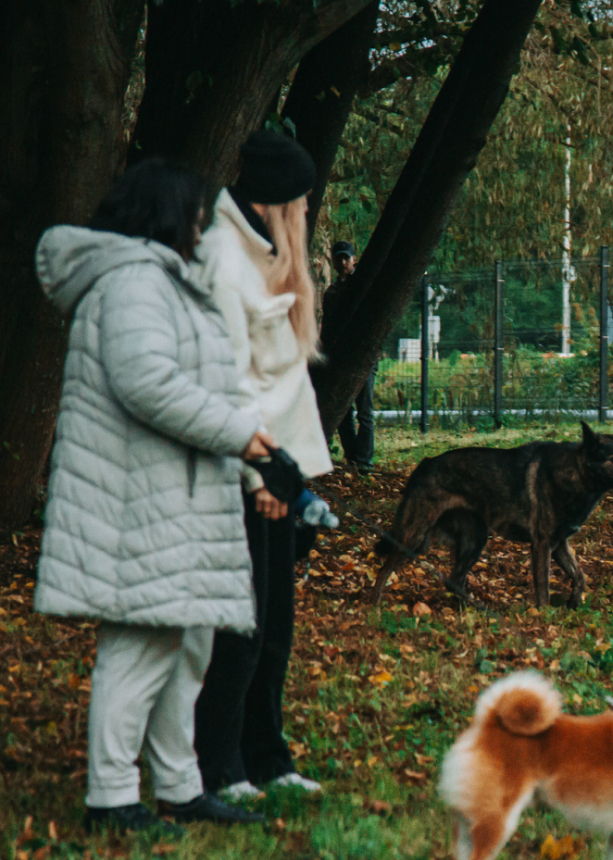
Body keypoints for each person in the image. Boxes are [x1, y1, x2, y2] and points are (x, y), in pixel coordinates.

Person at [33, 158, 272, 832]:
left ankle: (179, 784)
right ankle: (109, 798)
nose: (202, 225)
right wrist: (244, 436)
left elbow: (200, 387)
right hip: (137, 501)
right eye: (196, 212)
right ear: (168, 213)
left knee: (186, 645)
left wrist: (253, 463)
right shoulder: (135, 282)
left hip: (175, 497)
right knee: (140, 650)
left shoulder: (162, 282)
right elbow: (148, 383)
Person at [194, 130, 335, 800]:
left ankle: (267, 756)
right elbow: (229, 380)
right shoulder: (224, 258)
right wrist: (260, 477)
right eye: (302, 199)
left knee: (275, 623)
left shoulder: (264, 254)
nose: (306, 210)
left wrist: (293, 476)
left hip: (281, 470)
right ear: (282, 200)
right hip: (252, 474)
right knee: (241, 626)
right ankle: (220, 764)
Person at [331, 240, 375, 473]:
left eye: (347, 258)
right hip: (340, 358)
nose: (343, 262)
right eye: (339, 258)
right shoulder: (332, 292)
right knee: (344, 412)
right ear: (333, 261)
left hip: (364, 358)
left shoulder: (364, 287)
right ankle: (352, 458)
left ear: (354, 259)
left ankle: (365, 462)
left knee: (365, 412)